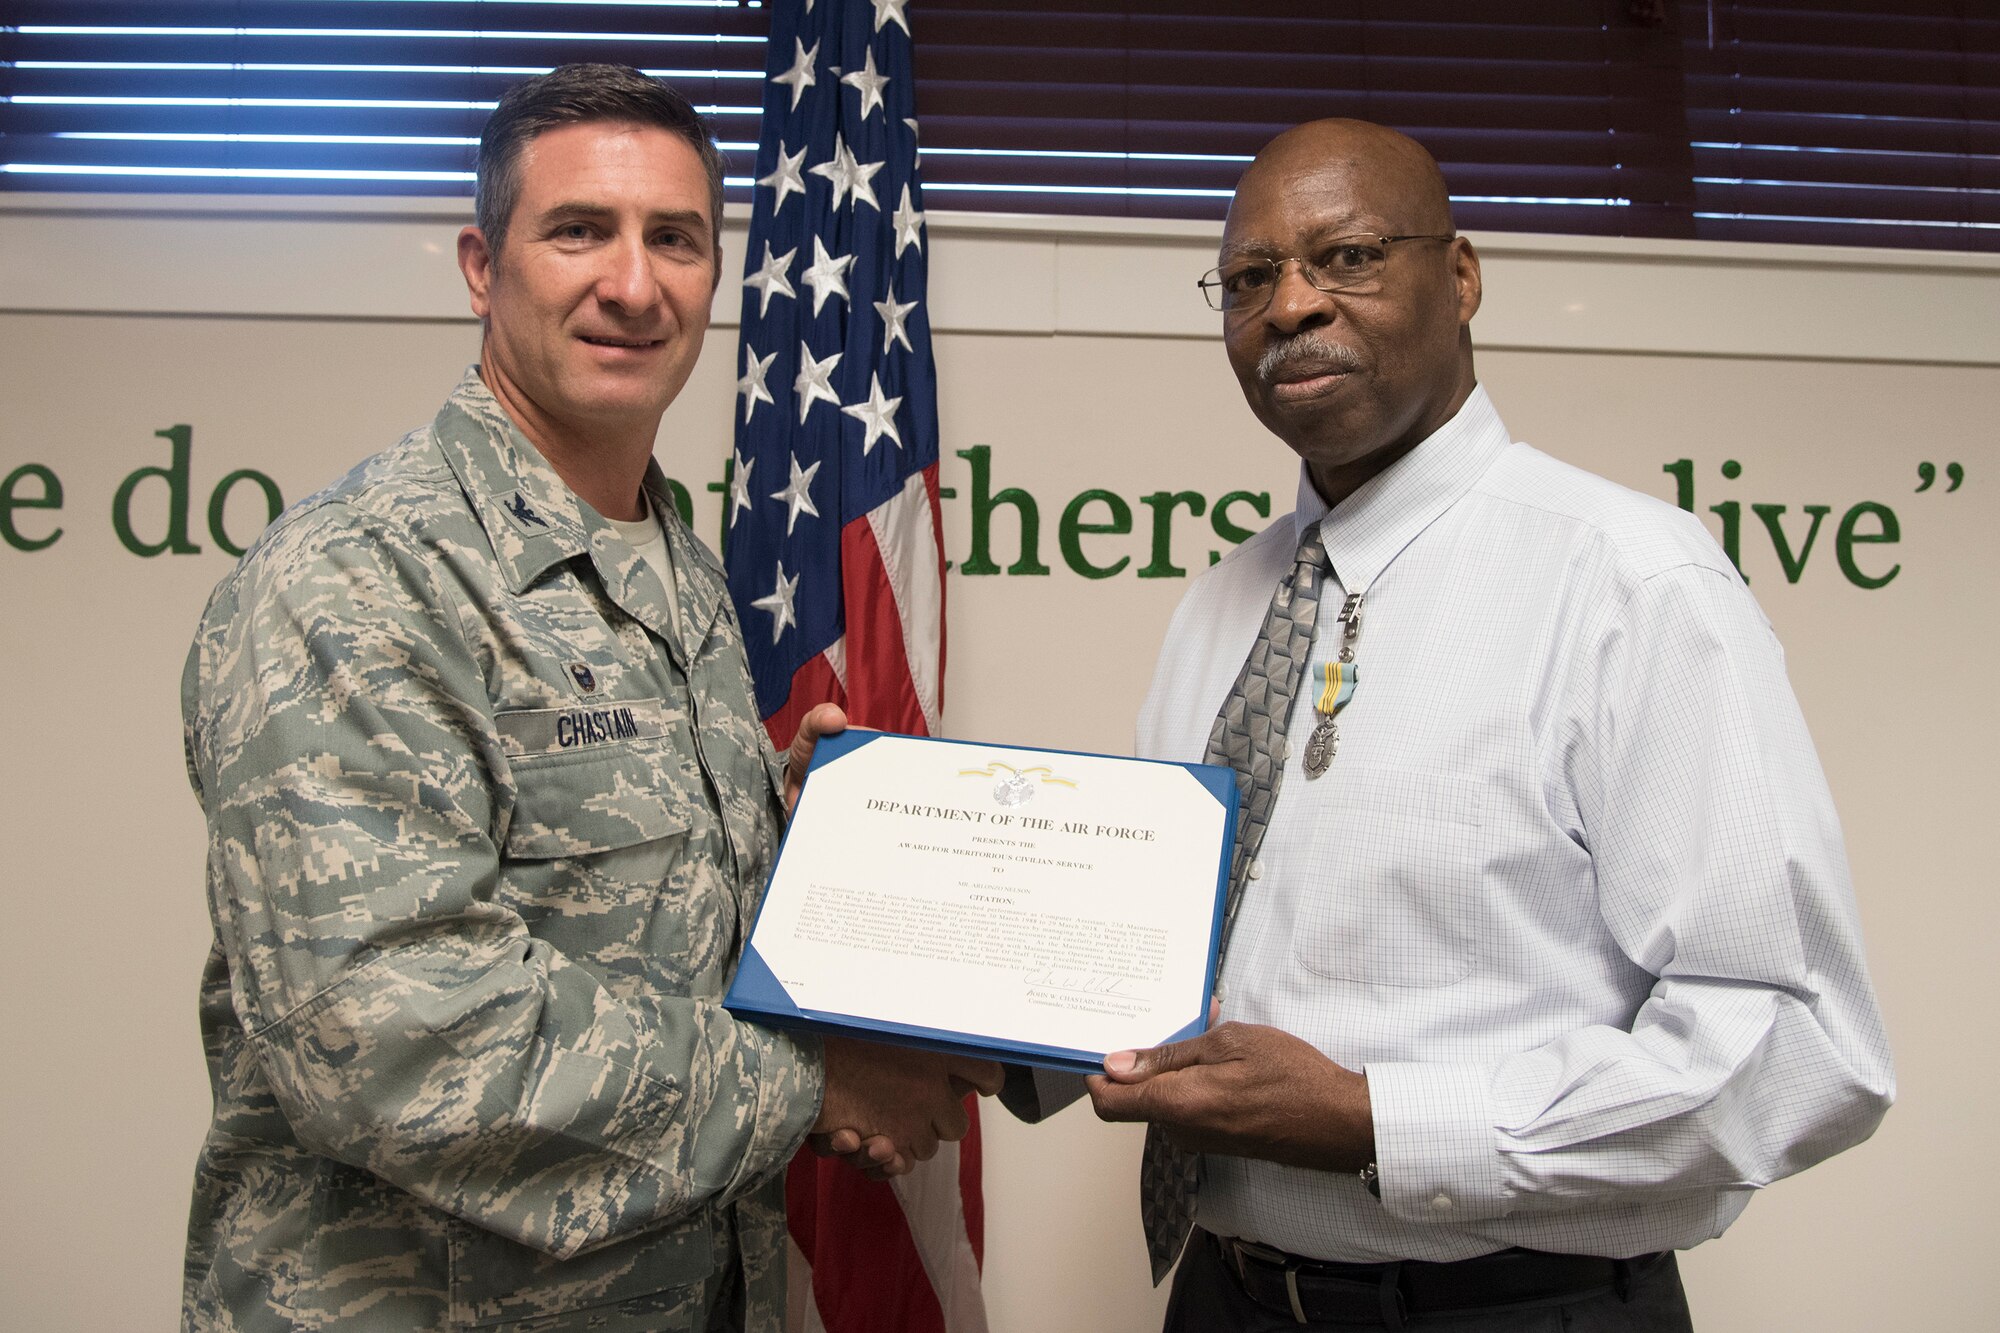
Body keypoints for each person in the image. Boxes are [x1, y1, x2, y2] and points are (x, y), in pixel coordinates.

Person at [178, 64, 997, 1332]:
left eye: (674, 238)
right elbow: (396, 1042)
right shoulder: (357, 582)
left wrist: (804, 832)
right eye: (578, 230)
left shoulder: (672, 561)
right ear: (478, 263)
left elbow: (615, 899)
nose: (632, 284)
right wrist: (814, 1082)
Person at [1075, 120, 1894, 1329]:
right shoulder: (1219, 606)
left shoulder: (1626, 582)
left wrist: (1374, 1118)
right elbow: (1146, 956)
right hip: (1228, 1296)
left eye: (1344, 256)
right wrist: (954, 1017)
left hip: (1510, 1307)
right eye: (1248, 278)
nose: (1289, 304)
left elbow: (1790, 1045)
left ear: (1458, 277)